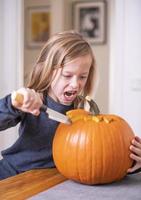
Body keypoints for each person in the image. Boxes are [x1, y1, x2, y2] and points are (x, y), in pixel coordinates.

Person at [0, 31, 141, 180]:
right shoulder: (33, 101)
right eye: (67, 75)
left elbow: (98, 161)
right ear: (48, 71)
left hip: (48, 181)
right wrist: (13, 103)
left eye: (82, 76)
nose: (75, 84)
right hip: (12, 174)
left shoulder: (83, 111)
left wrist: (131, 164)